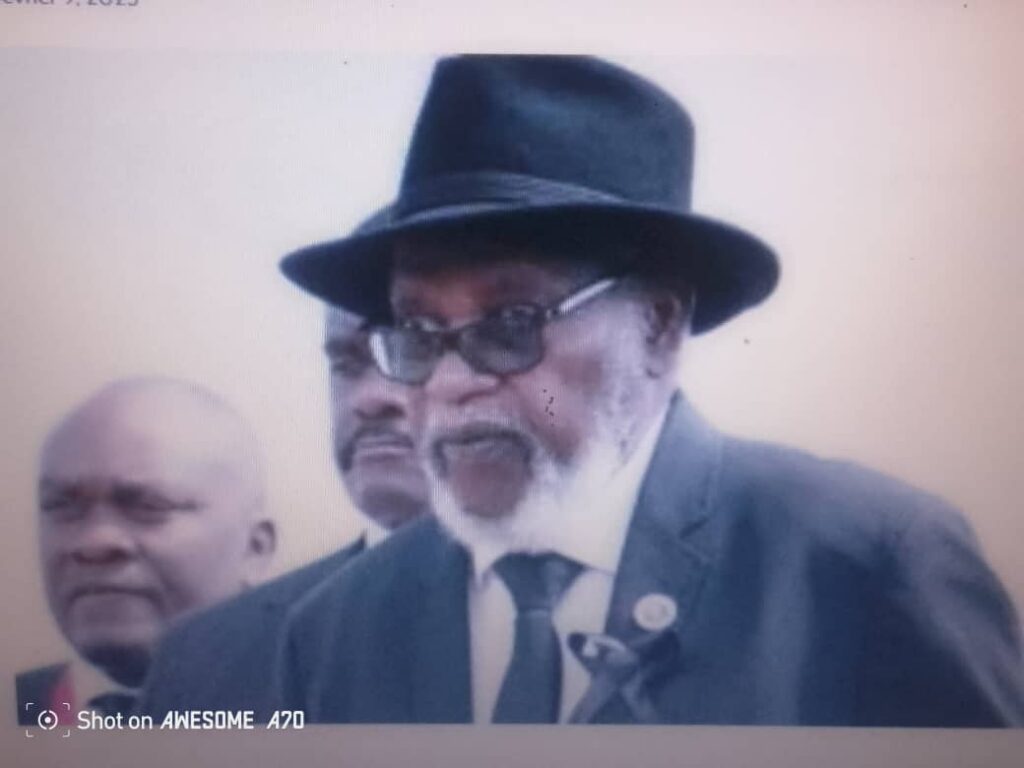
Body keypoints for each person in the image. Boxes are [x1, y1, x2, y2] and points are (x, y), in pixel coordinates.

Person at [274, 55, 1024, 726]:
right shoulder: (336, 631)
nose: (452, 380)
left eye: (510, 323)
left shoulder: (861, 568)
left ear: (657, 326)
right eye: (415, 329)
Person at [136, 305, 431, 719]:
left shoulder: (528, 619)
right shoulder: (203, 657)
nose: (368, 399)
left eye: (414, 352)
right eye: (346, 363)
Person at [17, 377, 274, 725]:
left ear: (255, 548)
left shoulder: (318, 708)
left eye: (151, 506)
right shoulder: (28, 716)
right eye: (61, 506)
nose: (95, 542)